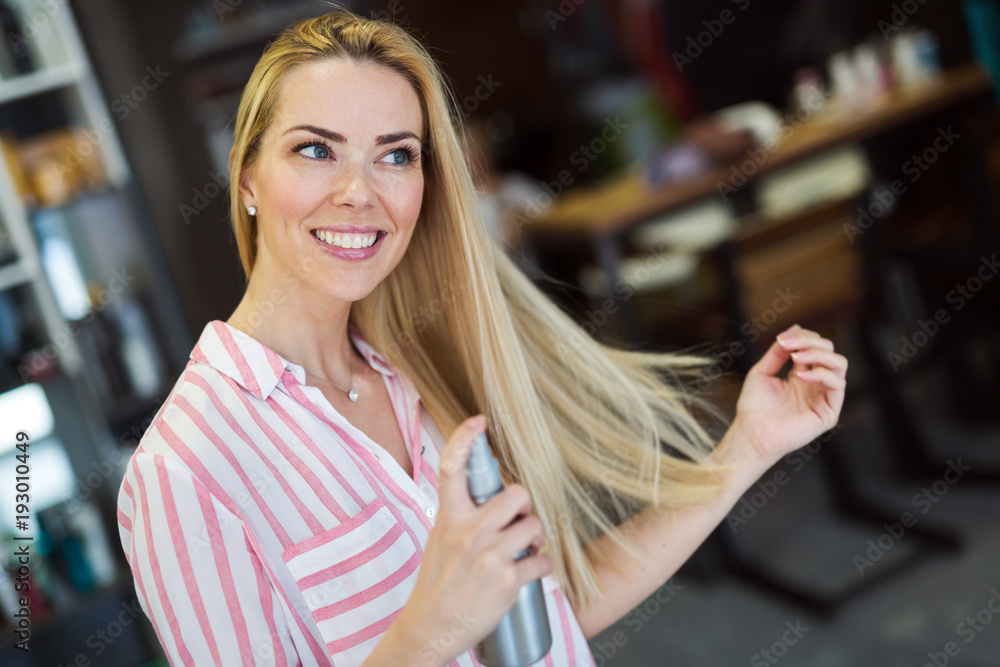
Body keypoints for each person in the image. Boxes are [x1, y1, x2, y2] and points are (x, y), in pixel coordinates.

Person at [116, 9, 847, 667]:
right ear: (246, 176)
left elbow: (554, 617)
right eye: (316, 150)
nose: (359, 192)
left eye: (396, 154)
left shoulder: (412, 373)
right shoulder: (183, 472)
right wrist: (430, 630)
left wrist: (748, 444)